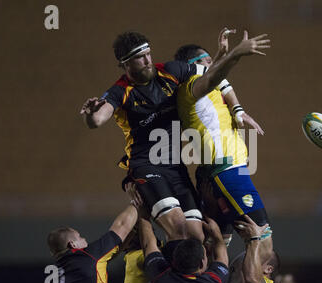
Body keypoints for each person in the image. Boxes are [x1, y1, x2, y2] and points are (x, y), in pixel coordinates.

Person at [80, 30, 271, 247]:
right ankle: (161, 276)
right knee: (179, 230)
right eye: (139, 57)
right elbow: (97, 119)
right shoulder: (120, 91)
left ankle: (178, 272)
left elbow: (211, 75)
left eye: (148, 54)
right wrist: (91, 115)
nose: (147, 60)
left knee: (197, 238)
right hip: (146, 165)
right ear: (125, 64)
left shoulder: (170, 71)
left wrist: (229, 59)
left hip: (175, 167)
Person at [174, 31, 273, 263]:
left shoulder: (210, 87)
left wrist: (238, 109)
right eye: (207, 61)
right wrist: (236, 53)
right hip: (227, 169)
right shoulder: (191, 87)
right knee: (264, 242)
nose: (214, 64)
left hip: (221, 169)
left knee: (218, 244)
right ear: (193, 66)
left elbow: (221, 79)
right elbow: (216, 75)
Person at [47, 204, 137, 283]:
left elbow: (105, 259)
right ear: (73, 244)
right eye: (79, 236)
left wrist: (133, 229)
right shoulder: (88, 256)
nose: (84, 238)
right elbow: (122, 224)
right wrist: (136, 201)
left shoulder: (55, 269)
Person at [138, 210, 229, 283]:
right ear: (201, 263)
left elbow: (148, 243)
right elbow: (222, 257)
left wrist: (143, 215)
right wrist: (216, 233)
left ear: (173, 262)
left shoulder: (161, 278)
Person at [223, 215, 280, 283]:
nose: (248, 257)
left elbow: (251, 280)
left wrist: (254, 239)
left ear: (268, 269)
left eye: (257, 256)